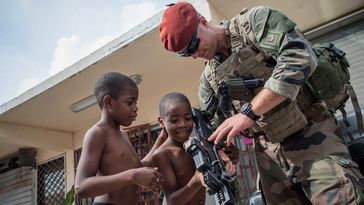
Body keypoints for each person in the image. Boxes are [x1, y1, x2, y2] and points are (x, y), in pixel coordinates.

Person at [159, 2, 364, 205]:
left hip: (312, 133)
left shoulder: (255, 22)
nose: (195, 55)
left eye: (194, 45)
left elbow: (299, 56)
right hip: (268, 157)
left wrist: (248, 113)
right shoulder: (209, 80)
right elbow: (209, 126)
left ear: (203, 21)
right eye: (187, 53)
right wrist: (220, 151)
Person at [75, 72, 166, 205]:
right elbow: (81, 187)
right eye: (130, 102)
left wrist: (162, 137)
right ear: (109, 102)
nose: (136, 108)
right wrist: (132, 176)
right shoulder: (97, 133)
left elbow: (138, 167)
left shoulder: (122, 134)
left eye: (136, 102)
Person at [152, 92, 236, 205]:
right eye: (174, 120)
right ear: (161, 122)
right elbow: (171, 200)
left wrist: (230, 160)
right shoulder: (162, 154)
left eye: (188, 118)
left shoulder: (197, 146)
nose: (183, 124)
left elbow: (218, 174)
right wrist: (197, 180)